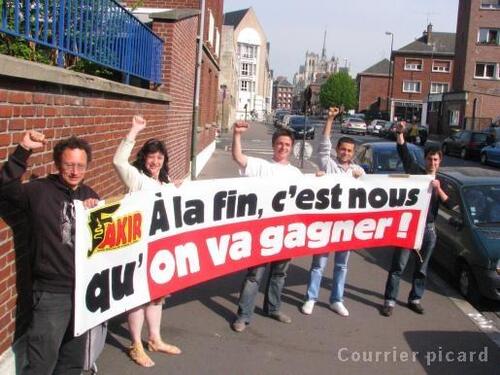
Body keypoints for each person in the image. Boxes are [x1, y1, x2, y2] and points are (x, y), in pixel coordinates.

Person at [0, 131, 99, 375]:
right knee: (41, 363)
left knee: (73, 361)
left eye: (80, 166)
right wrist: (23, 149)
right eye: (69, 165)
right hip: (51, 294)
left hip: (85, 292)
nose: (75, 171)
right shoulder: (38, 191)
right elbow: (6, 187)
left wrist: (97, 212)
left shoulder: (91, 196)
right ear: (57, 164)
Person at [113, 115, 181, 367]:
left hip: (160, 247)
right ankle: (136, 344)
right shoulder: (136, 178)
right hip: (137, 248)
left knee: (157, 295)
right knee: (138, 296)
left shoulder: (163, 182)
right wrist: (133, 130)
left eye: (159, 158)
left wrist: (175, 188)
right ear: (144, 158)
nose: (155, 161)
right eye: (151, 157)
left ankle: (155, 338)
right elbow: (118, 161)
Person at [231, 122, 302, 333]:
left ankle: (273, 308)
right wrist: (236, 135)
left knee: (279, 274)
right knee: (254, 276)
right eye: (280, 143)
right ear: (274, 145)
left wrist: (319, 179)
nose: (283, 148)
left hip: (285, 231)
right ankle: (243, 316)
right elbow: (238, 158)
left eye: (287, 144)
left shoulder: (296, 174)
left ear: (291, 148)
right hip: (261, 231)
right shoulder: (261, 166)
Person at [381, 121, 449, 317]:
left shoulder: (441, 181)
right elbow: (403, 152)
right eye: (430, 159)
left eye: (436, 160)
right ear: (425, 159)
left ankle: (415, 299)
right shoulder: (416, 173)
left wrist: (438, 188)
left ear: (440, 161)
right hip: (409, 226)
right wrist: (400, 134)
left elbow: (449, 204)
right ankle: (390, 301)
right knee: (398, 266)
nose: (432, 163)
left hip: (428, 229)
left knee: (422, 268)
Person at [301, 107, 365, 317]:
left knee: (342, 265)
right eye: (343, 149)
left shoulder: (359, 172)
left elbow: (372, 195)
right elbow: (323, 145)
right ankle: (311, 298)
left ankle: (336, 300)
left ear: (353, 153)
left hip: (346, 224)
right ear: (338, 150)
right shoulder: (328, 165)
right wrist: (329, 119)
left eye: (349, 150)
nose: (345, 153)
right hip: (326, 222)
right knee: (319, 263)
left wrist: (361, 181)